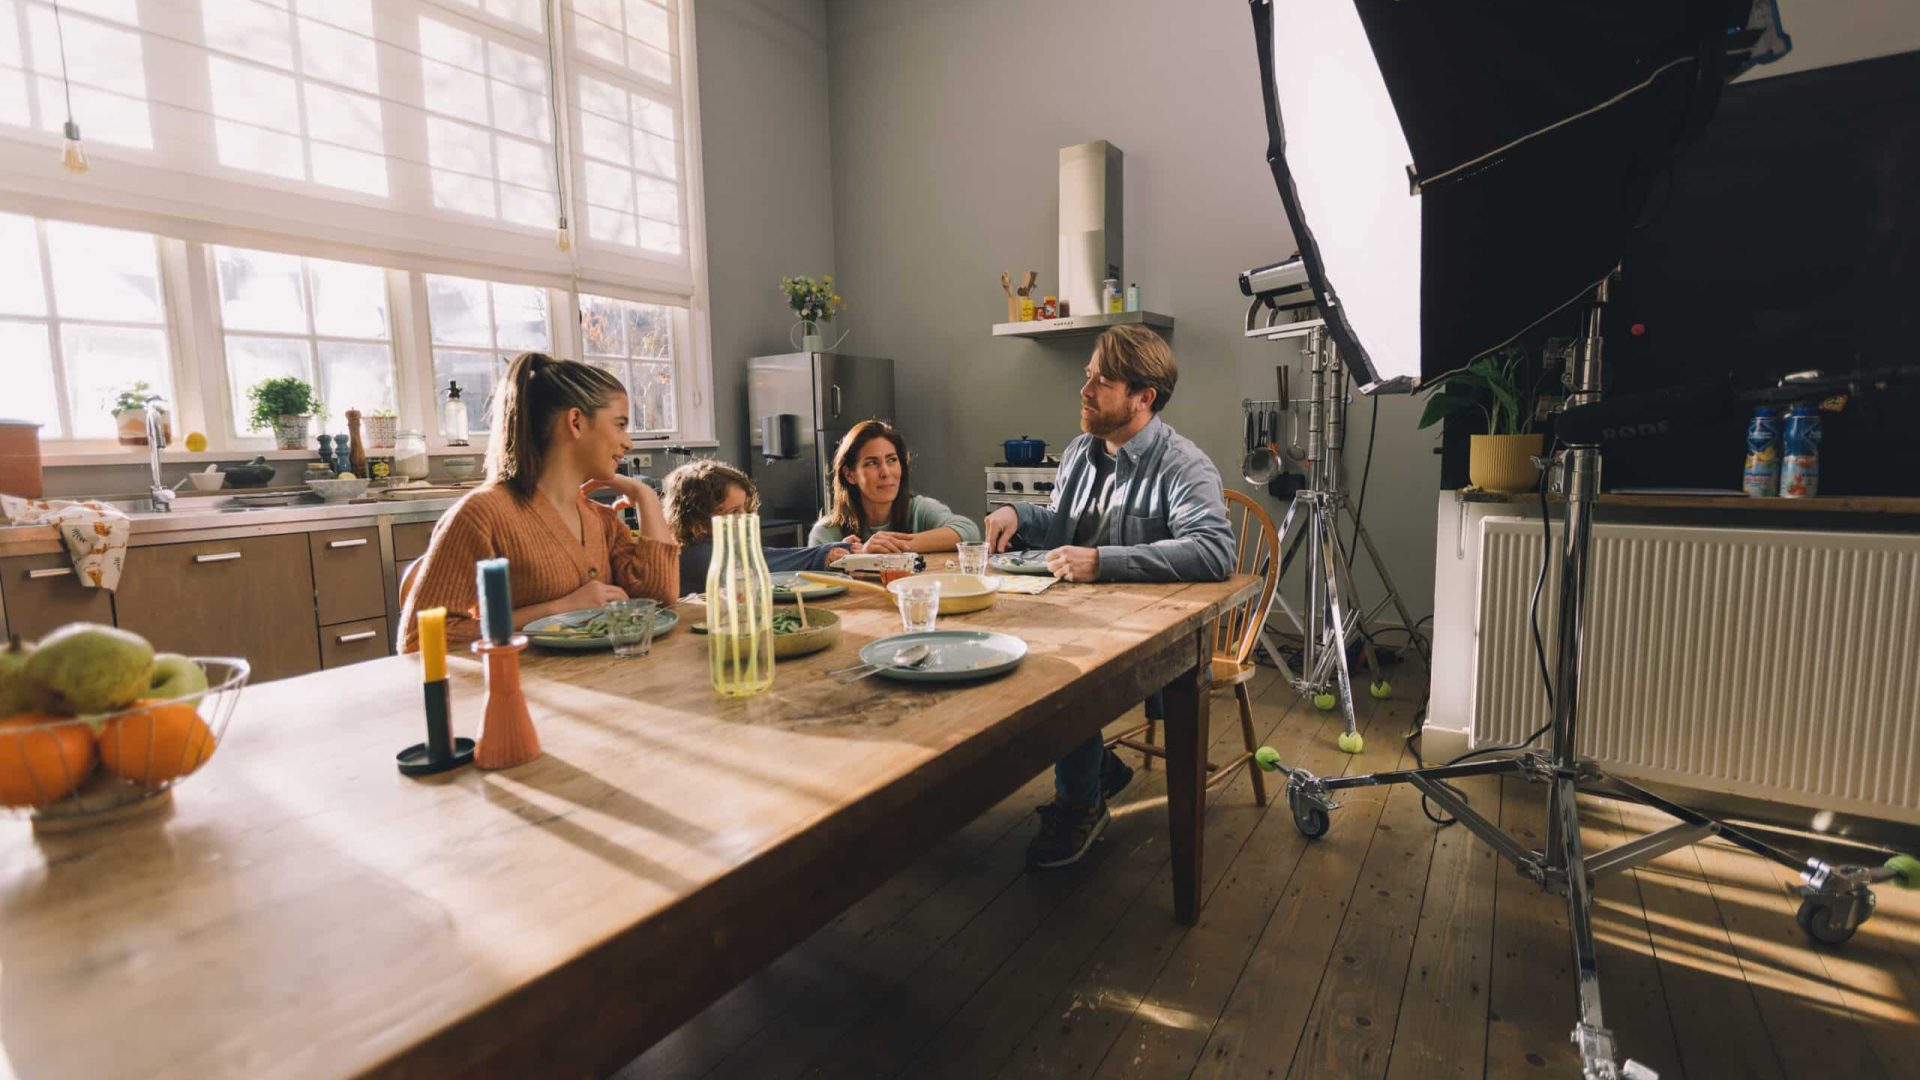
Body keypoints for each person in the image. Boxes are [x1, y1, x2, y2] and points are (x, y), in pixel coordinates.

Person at [982, 325, 1234, 869]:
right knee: (995, 646)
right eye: (1087, 374)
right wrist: (1017, 514)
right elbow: (1061, 525)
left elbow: (1215, 551)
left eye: (1103, 379)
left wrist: (1103, 563)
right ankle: (1092, 767)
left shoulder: (1184, 465)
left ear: (1144, 397)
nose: (1086, 388)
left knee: (1055, 677)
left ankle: (1081, 803)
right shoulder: (1078, 452)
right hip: (1074, 616)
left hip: (1149, 636)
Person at [398, 352, 678, 651]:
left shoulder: (600, 519)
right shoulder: (482, 514)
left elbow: (660, 599)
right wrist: (559, 609)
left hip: (599, 685)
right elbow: (418, 640)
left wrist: (647, 497)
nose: (628, 442)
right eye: (620, 425)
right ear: (576, 422)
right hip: (522, 692)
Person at [664, 459, 860, 597]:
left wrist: (830, 550)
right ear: (697, 520)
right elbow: (767, 564)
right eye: (733, 512)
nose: (743, 518)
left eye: (745, 509)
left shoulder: (723, 547)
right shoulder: (697, 555)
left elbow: (768, 554)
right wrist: (825, 554)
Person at [808, 419, 981, 554]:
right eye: (871, 463)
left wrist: (892, 545)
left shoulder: (919, 509)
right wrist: (859, 558)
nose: (885, 472)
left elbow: (969, 532)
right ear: (849, 475)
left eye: (891, 460)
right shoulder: (825, 533)